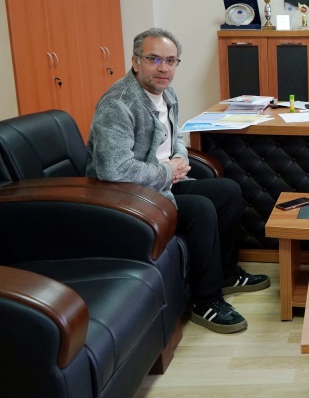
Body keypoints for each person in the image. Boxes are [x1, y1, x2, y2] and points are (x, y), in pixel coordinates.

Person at [86, 27, 270, 334]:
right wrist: (167, 172)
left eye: (170, 61)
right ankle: (206, 300)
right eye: (154, 59)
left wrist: (181, 158)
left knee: (228, 191)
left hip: (164, 183)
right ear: (135, 62)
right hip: (129, 195)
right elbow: (113, 170)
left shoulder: (167, 92)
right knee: (200, 209)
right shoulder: (117, 105)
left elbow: (175, 140)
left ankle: (226, 273)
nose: (163, 68)